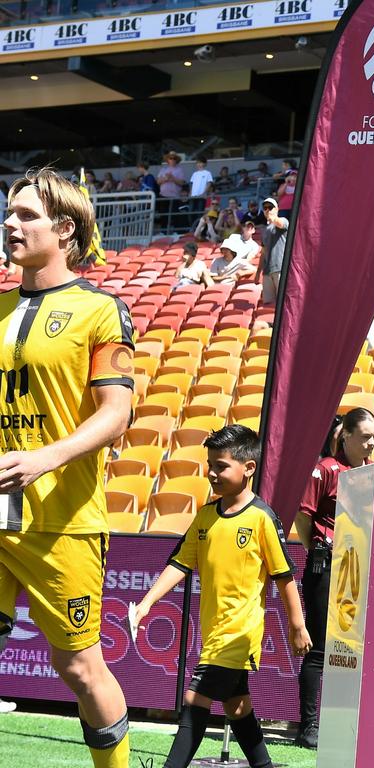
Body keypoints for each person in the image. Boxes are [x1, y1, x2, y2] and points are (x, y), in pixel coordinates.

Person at [0, 169, 135, 766]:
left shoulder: (101, 311)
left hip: (62, 518)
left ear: (65, 228)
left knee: (80, 669)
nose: (10, 224)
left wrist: (44, 458)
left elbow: (117, 414)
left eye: (26, 215)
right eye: (9, 213)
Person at [133, 426, 311, 768]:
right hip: (214, 633)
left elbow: (284, 577)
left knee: (195, 697)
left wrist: (297, 626)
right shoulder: (204, 516)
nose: (212, 473)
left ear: (249, 468)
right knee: (237, 706)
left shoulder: (261, 518)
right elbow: (180, 563)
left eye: (221, 466)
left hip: (239, 634)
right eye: (209, 464)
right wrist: (146, 603)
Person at [294, 408, 374, 749]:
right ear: (346, 436)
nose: (371, 443)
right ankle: (309, 727)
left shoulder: (372, 472)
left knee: (350, 648)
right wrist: (316, 549)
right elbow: (303, 517)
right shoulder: (327, 469)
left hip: (357, 567)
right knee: (320, 649)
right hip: (326, 566)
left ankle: (342, 723)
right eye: (365, 437)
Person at [261, 197, 289, 305]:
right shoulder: (265, 229)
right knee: (268, 305)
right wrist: (259, 272)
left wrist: (273, 219)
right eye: (265, 208)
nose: (267, 210)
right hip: (267, 272)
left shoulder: (283, 220)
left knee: (283, 303)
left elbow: (281, 223)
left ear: (277, 209)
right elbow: (263, 252)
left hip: (280, 268)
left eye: (270, 207)